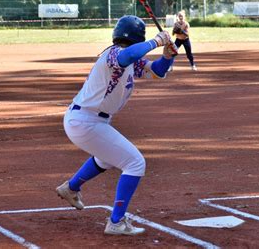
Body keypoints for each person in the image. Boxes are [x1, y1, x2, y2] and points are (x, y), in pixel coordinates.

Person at [56, 15, 177, 236]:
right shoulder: (114, 54)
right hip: (86, 121)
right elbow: (128, 55)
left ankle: (71, 188)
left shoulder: (131, 59)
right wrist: (156, 41)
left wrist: (168, 53)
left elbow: (157, 71)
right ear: (138, 38)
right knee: (135, 163)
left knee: (107, 158)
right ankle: (116, 222)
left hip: (90, 121)